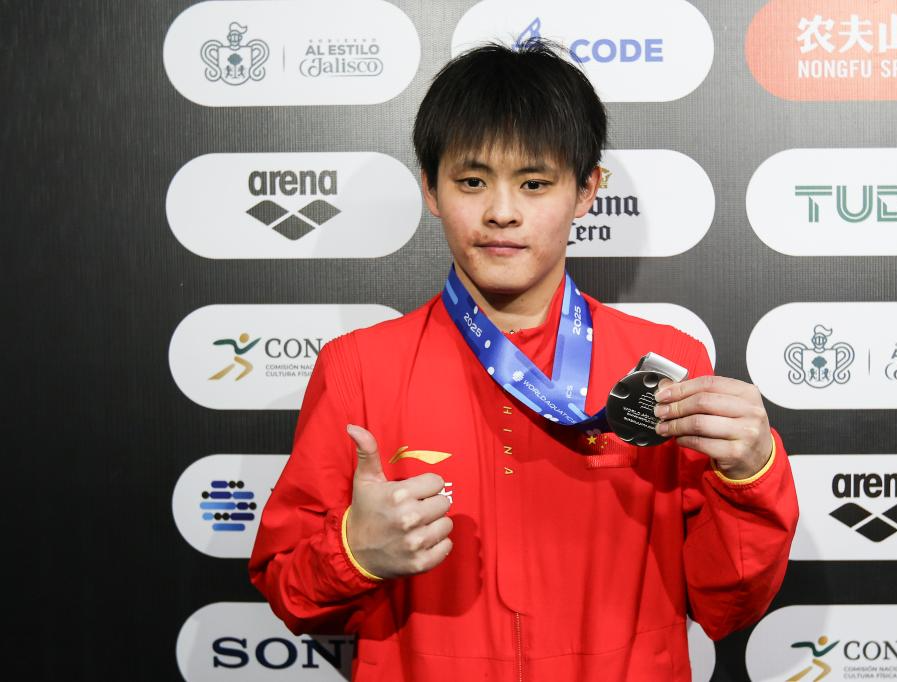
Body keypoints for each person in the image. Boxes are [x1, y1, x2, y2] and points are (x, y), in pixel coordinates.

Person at [249, 40, 799, 681]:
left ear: (587, 190)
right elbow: (289, 591)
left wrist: (750, 477)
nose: (501, 213)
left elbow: (727, 602)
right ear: (430, 188)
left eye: (534, 184)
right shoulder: (359, 368)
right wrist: (354, 554)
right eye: (472, 182)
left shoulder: (665, 364)